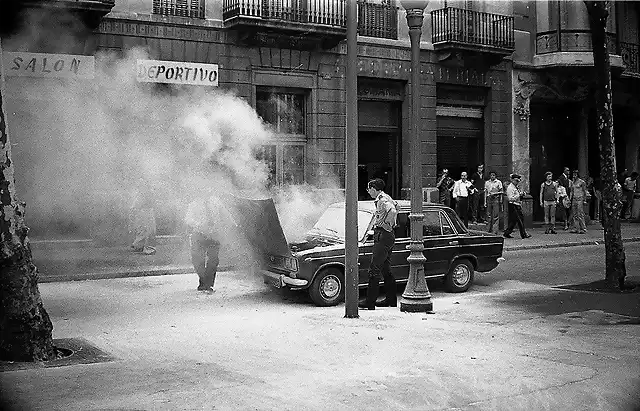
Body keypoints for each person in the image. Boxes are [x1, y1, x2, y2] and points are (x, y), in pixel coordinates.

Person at [359, 178, 398, 310]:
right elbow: (396, 206)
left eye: (369, 189)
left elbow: (392, 211)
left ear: (374, 188)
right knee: (385, 269)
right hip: (387, 236)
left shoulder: (382, 200)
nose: (368, 191)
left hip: (383, 235)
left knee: (374, 270)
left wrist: (387, 225)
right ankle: (391, 300)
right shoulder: (385, 197)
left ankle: (370, 302)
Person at [185, 194, 224, 293]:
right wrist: (199, 225)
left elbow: (224, 214)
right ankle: (203, 280)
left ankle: (208, 283)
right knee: (197, 259)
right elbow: (188, 219)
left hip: (214, 234)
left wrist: (234, 224)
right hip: (199, 233)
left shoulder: (216, 201)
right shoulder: (194, 204)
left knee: (213, 259)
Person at [129, 179, 157, 255]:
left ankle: (149, 248)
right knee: (142, 229)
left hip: (147, 211)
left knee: (149, 230)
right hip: (141, 212)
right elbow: (135, 204)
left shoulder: (148, 192)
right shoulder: (140, 193)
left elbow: (151, 202)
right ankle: (138, 246)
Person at [503, 173, 531, 239]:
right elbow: (510, 198)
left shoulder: (516, 187)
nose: (517, 182)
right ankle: (523, 234)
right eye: (516, 180)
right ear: (512, 180)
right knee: (520, 220)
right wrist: (518, 195)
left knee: (513, 221)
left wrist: (522, 194)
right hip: (513, 205)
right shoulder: (510, 188)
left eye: (518, 181)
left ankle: (506, 233)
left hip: (517, 204)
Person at [570, 170, 588, 234]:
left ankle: (583, 228)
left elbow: (584, 191)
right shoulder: (573, 182)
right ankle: (576, 228)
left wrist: (585, 200)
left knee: (580, 214)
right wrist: (570, 199)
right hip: (574, 199)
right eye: (573, 174)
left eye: (575, 174)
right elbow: (571, 191)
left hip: (580, 198)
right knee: (574, 214)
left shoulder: (582, 182)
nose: (574, 175)